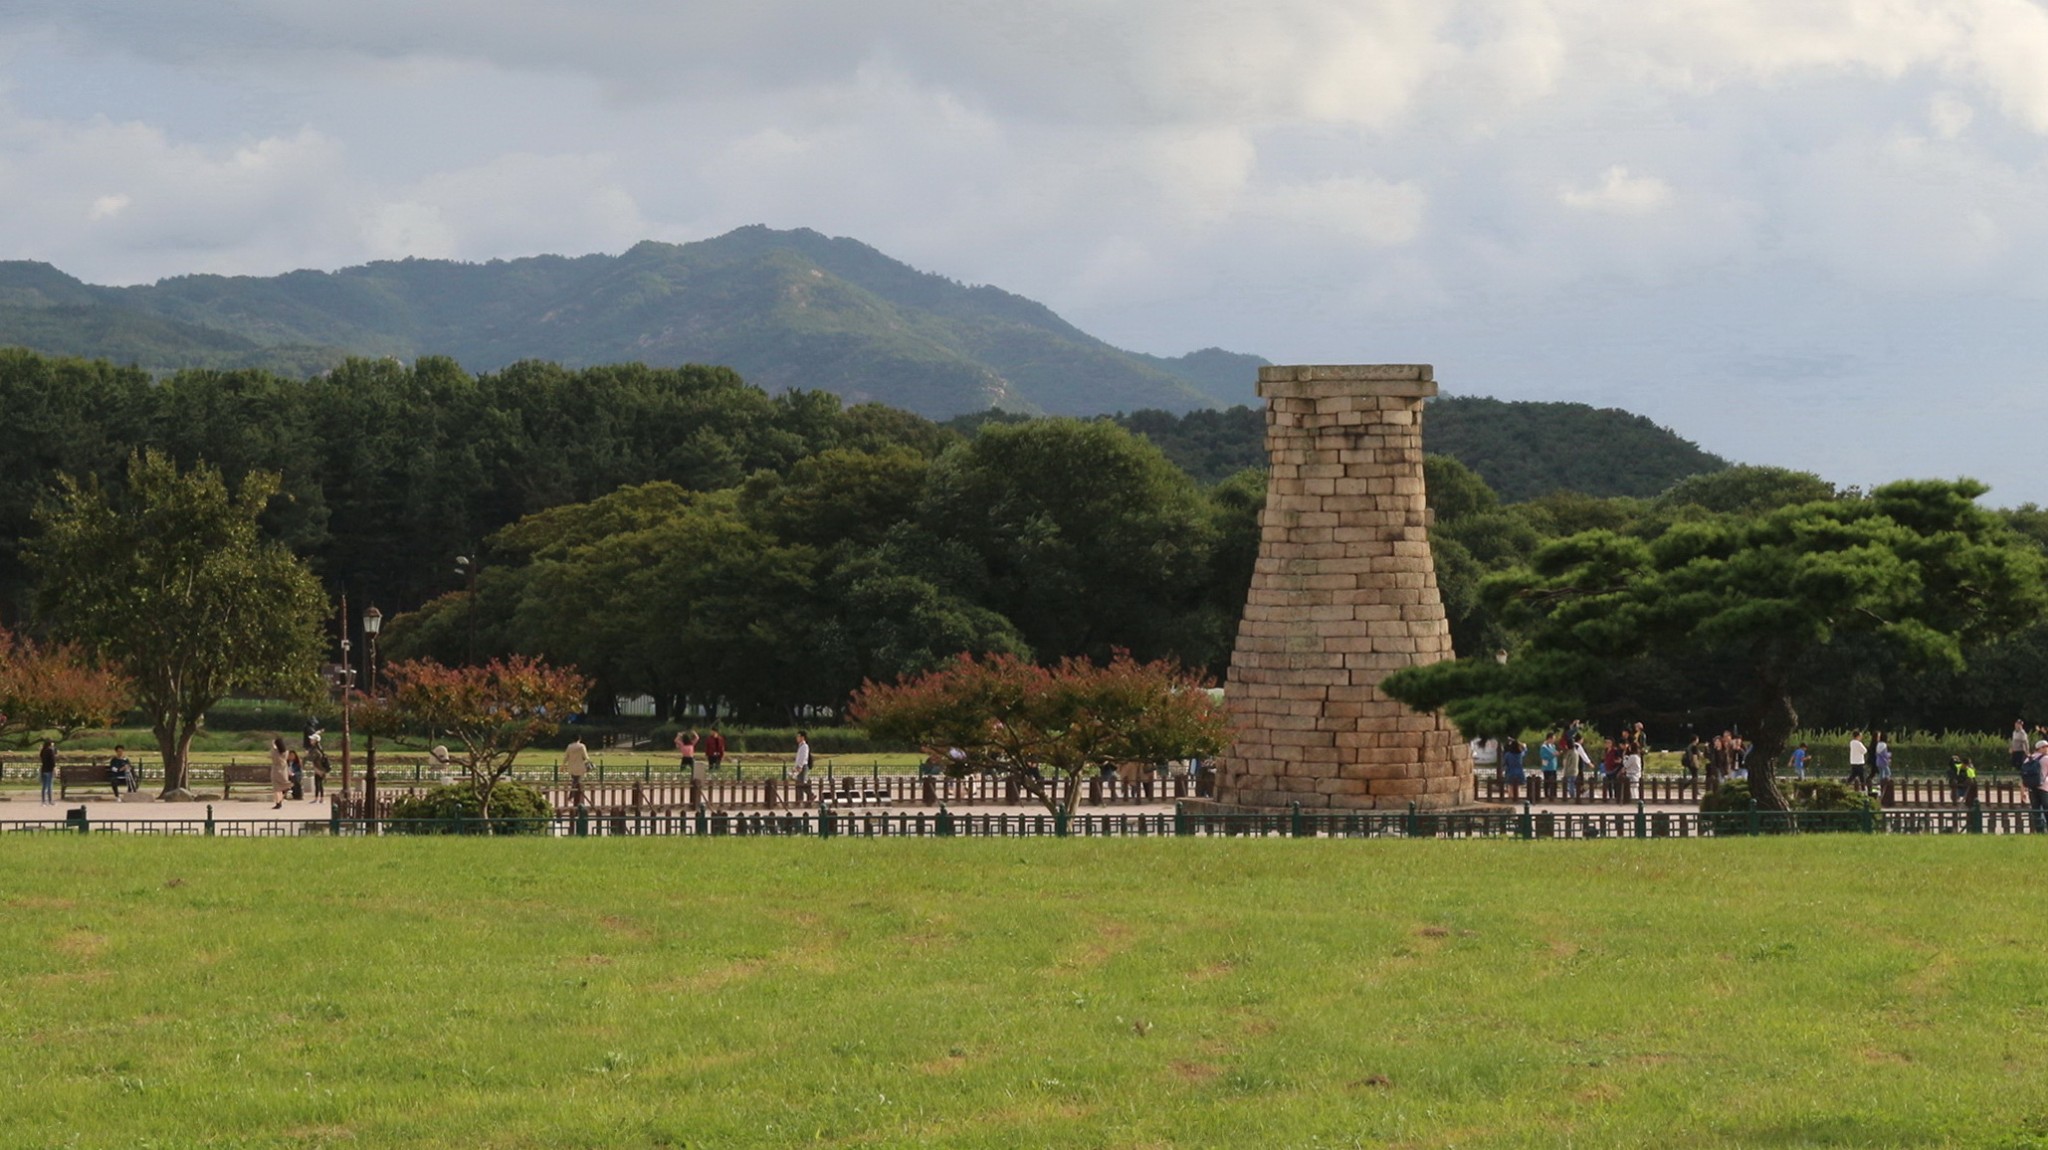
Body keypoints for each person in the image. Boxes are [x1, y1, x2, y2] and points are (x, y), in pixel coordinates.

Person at [2024, 741, 2048, 834]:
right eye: (2045, 747)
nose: (2047, 749)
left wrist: (2023, 790)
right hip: (2044, 787)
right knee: (2046, 809)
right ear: (2040, 748)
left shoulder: (2028, 759)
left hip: (2032, 788)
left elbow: (2023, 775)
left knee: (2036, 810)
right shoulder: (2046, 758)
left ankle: (2039, 831)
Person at [268, 736, 291, 809]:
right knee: (280, 788)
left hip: (276, 770)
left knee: (276, 788)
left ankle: (278, 802)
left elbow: (272, 756)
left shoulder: (275, 752)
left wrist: (273, 747)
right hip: (283, 770)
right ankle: (280, 801)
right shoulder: (286, 752)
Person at [1500, 738, 1525, 802]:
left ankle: (1511, 798)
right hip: (1519, 772)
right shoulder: (1521, 754)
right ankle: (1517, 798)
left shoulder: (1508, 754)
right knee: (1518, 786)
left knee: (1510, 786)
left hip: (1510, 771)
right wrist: (1519, 742)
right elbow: (1525, 748)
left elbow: (1504, 763)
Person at [1538, 733, 1560, 800]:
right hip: (1547, 767)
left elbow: (1555, 753)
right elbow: (1544, 756)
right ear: (1549, 738)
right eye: (1553, 739)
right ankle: (1547, 795)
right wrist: (1553, 755)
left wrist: (1557, 753)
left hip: (1553, 766)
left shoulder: (1552, 746)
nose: (1554, 740)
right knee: (1547, 781)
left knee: (1554, 781)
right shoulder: (1544, 747)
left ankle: (1553, 794)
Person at [793, 731, 812, 801]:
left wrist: (800, 766)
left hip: (803, 766)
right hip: (800, 766)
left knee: (802, 783)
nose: (797, 738)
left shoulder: (805, 746)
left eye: (798, 736)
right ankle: (800, 799)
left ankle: (811, 795)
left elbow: (804, 757)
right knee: (799, 783)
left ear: (802, 737)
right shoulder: (801, 746)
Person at [39, 738, 56, 805]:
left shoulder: (43, 750)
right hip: (49, 769)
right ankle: (50, 800)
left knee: (44, 786)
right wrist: (54, 768)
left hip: (44, 769)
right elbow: (52, 761)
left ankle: (43, 800)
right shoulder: (50, 750)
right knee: (49, 786)